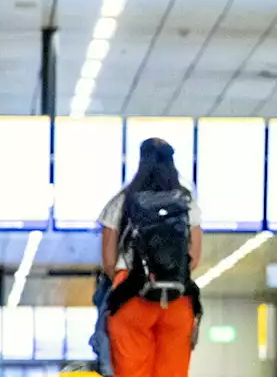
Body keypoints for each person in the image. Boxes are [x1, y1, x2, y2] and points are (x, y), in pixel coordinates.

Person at [100, 138, 202, 377]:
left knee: (132, 371)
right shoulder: (186, 202)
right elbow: (194, 258)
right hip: (177, 297)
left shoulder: (121, 201)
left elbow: (108, 261)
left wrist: (135, 277)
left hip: (130, 295)